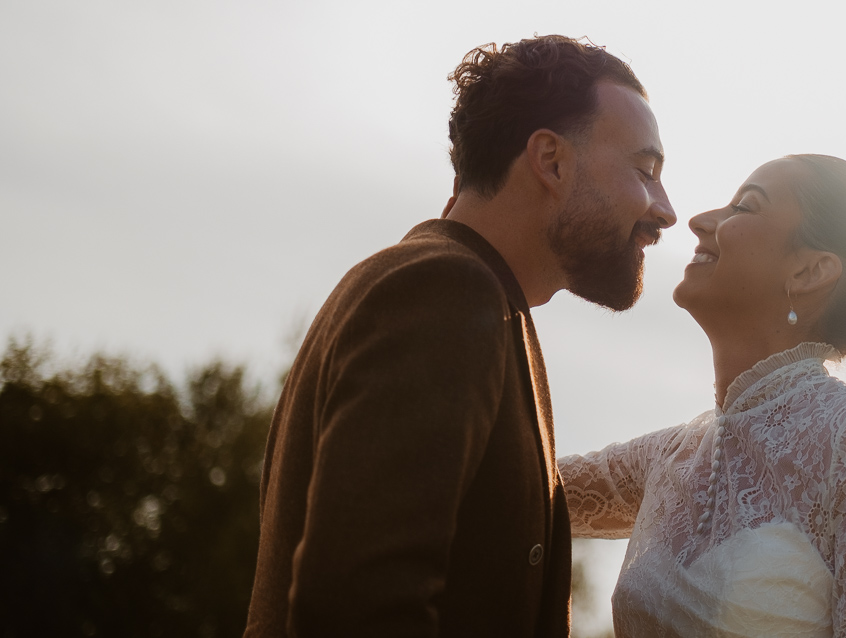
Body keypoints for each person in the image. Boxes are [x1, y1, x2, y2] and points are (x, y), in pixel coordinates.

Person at [245, 35, 675, 638]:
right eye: (646, 170)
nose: (664, 209)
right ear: (550, 161)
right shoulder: (442, 290)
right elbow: (356, 606)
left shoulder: (483, 302)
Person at [562, 155, 846, 636]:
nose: (700, 221)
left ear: (810, 271)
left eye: (744, 207)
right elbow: (512, 481)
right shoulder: (672, 456)